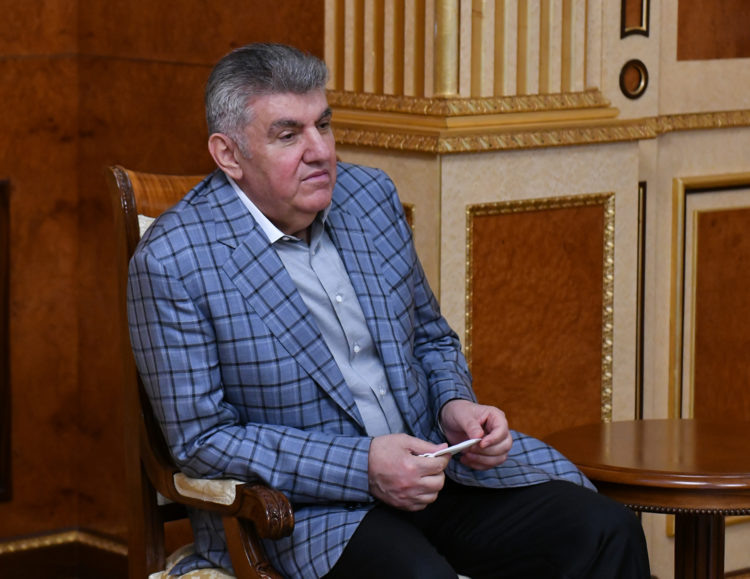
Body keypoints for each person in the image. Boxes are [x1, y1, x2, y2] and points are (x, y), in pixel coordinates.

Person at [127, 42, 650, 578]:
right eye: (288, 135)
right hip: (314, 511)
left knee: (606, 530)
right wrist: (364, 467)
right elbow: (203, 442)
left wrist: (453, 405)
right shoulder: (174, 260)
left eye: (323, 125)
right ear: (228, 154)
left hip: (439, 469)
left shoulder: (369, 196)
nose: (320, 151)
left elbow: (430, 337)